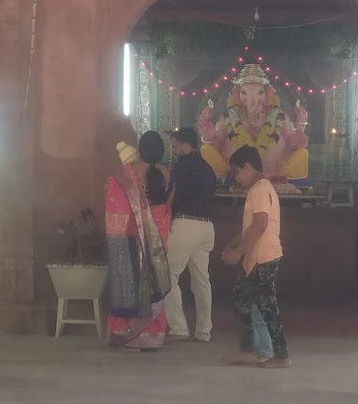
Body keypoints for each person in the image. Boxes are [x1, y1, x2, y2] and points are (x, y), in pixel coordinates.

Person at [104, 138, 173, 351]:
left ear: (140, 150)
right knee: (154, 282)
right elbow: (168, 206)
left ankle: (125, 335)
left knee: (130, 282)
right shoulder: (168, 175)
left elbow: (114, 202)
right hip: (158, 237)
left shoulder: (124, 175)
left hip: (129, 238)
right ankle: (152, 336)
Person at [222, 145, 289, 369]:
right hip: (256, 257)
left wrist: (238, 252)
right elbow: (251, 227)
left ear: (248, 167)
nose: (236, 177)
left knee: (267, 306)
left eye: (237, 172)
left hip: (263, 257)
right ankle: (250, 350)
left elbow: (260, 225)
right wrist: (235, 243)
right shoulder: (259, 188)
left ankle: (280, 355)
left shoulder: (260, 189)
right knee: (241, 298)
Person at [197, 64, 310, 184]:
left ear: (268, 94)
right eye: (244, 93)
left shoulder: (278, 115)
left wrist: (300, 124)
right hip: (237, 173)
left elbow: (292, 144)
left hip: (274, 173)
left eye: (260, 93)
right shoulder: (229, 116)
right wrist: (209, 138)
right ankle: (227, 179)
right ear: (237, 94)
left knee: (303, 154)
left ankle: (282, 181)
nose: (252, 99)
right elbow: (217, 145)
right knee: (206, 149)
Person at [164, 127, 217, 343]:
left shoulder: (181, 166)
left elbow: (171, 195)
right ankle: (204, 331)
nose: (175, 151)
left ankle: (178, 327)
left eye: (176, 146)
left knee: (168, 276)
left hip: (185, 224)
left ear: (186, 145)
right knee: (202, 280)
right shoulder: (209, 169)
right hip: (207, 227)